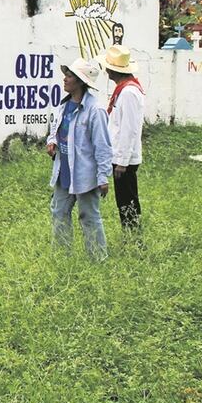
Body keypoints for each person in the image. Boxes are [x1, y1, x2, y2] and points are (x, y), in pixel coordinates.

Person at [46, 58, 112, 261]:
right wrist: (52, 141)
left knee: (89, 217)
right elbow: (56, 128)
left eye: (70, 76)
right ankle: (62, 257)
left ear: (81, 82)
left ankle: (98, 259)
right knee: (59, 212)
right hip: (63, 169)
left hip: (85, 174)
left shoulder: (95, 110)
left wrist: (103, 177)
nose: (65, 79)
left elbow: (103, 146)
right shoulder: (63, 105)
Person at [99, 45, 145, 232]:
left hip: (123, 158)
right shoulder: (125, 90)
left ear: (112, 70)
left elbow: (129, 129)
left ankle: (133, 236)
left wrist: (122, 162)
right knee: (124, 200)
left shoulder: (128, 93)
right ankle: (131, 234)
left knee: (127, 200)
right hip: (120, 156)